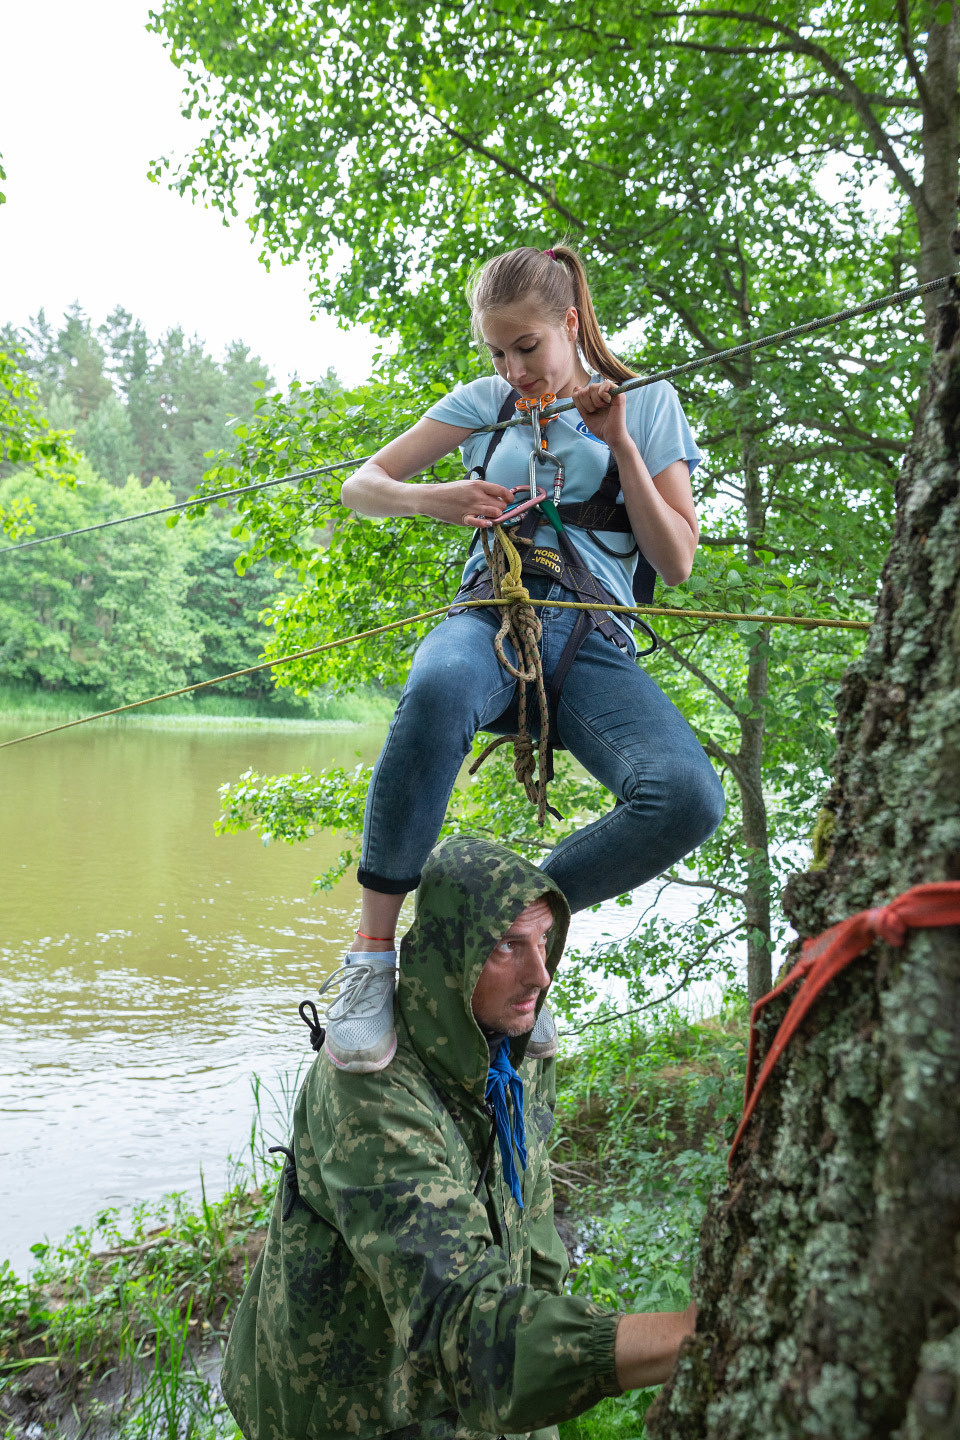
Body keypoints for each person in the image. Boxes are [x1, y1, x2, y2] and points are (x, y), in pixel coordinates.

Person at [325, 244, 725, 1072]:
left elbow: (677, 561)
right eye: (498, 352)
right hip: (491, 615)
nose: (513, 369)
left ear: (569, 324)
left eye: (527, 347)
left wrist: (618, 444)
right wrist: (430, 499)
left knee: (687, 797)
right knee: (438, 688)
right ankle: (371, 959)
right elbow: (360, 487)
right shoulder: (486, 404)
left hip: (593, 635)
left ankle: (516, 927)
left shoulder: (647, 402)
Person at [221, 835, 696, 1440]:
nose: (540, 975)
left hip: (471, 1384)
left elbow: (532, 1212)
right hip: (354, 1406)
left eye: (544, 941)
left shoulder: (515, 1049)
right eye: (508, 946)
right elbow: (464, 1326)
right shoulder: (371, 1092)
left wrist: (533, 1398)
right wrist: (689, 1336)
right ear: (451, 958)